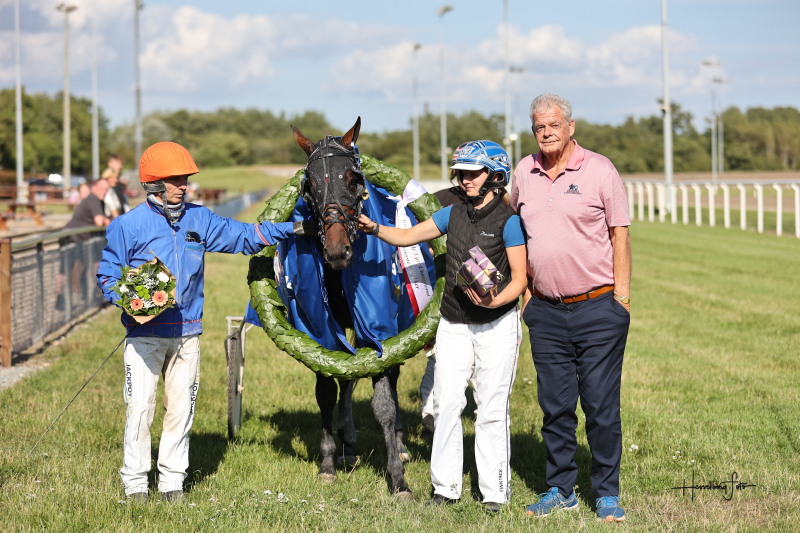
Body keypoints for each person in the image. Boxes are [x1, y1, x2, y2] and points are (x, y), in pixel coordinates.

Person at [97, 142, 316, 503]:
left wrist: (294, 227)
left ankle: (171, 485)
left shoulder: (200, 219)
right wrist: (129, 299)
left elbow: (246, 237)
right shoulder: (127, 225)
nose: (184, 185)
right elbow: (107, 275)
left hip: (187, 335)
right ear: (154, 183)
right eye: (175, 179)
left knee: (180, 412)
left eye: (185, 178)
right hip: (144, 336)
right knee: (141, 409)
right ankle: (135, 484)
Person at [358, 140, 527, 513]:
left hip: (497, 325)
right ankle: (445, 487)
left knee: (491, 408)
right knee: (448, 403)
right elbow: (407, 236)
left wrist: (496, 301)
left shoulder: (510, 221)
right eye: (460, 173)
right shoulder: (451, 214)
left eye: (472, 173)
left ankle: (494, 493)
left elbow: (519, 279)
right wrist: (373, 228)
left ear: (495, 175)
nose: (463, 179)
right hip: (453, 323)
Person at [511, 93, 631, 522]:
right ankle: (560, 488)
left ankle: (607, 493)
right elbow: (514, 233)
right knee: (555, 407)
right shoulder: (523, 171)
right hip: (544, 311)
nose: (546, 133)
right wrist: (526, 296)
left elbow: (620, 234)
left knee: (600, 406)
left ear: (570, 127)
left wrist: (622, 300)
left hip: (599, 308)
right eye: (539, 127)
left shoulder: (599, 169)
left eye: (553, 125)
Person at [103, 154, 128, 219]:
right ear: (110, 164)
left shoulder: (118, 183)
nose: (120, 166)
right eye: (118, 163)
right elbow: (111, 204)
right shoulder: (105, 184)